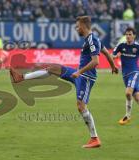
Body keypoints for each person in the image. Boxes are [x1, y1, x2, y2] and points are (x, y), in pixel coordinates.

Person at [10, 16, 118, 148]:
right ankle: (21, 77)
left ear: (84, 26)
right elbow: (106, 53)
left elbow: (96, 61)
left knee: (81, 107)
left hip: (86, 77)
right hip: (79, 74)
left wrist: (79, 72)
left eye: (78, 26)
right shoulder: (92, 39)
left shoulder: (91, 40)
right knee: (53, 68)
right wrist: (113, 66)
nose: (77, 28)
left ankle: (95, 138)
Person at [113, 27, 139, 125]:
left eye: (130, 34)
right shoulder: (121, 45)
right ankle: (127, 116)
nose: (128, 36)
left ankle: (127, 116)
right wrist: (116, 57)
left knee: (128, 93)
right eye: (126, 34)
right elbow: (112, 56)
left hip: (135, 73)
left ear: (134, 36)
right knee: (136, 97)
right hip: (125, 75)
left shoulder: (137, 46)